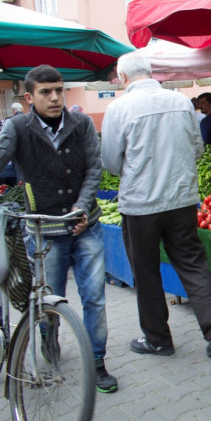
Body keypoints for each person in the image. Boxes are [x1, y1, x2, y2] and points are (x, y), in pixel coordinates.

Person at [101, 52, 211, 359]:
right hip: (182, 199)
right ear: (150, 72)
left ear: (123, 78)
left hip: (141, 204)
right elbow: (197, 149)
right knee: (193, 264)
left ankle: (158, 339)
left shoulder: (118, 108)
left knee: (145, 271)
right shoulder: (181, 102)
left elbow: (110, 162)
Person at [0, 65, 118, 393]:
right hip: (44, 229)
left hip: (86, 225)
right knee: (51, 298)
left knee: (94, 297)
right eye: (45, 92)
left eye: (59, 90)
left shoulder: (81, 123)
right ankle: (48, 341)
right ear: (29, 97)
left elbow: (94, 167)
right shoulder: (16, 127)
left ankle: (96, 361)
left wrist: (82, 205)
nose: (55, 98)